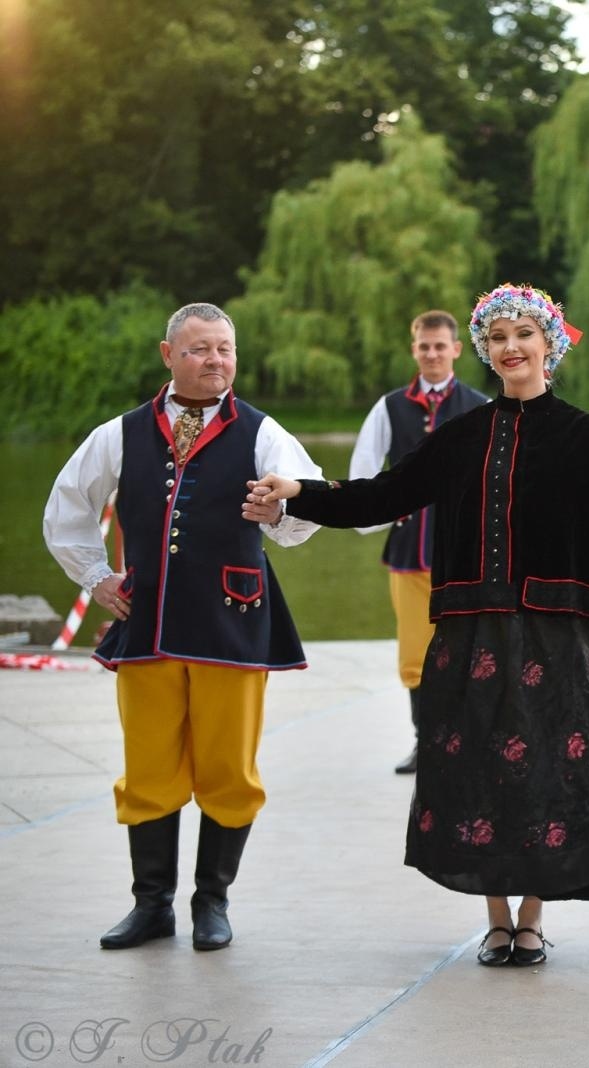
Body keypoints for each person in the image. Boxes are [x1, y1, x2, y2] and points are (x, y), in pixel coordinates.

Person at [243, 284, 589, 968]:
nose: (510, 348)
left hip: (555, 634)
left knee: (547, 778)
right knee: (478, 774)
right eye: (498, 338)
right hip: (471, 632)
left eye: (524, 335)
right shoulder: (459, 438)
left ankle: (531, 919)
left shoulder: (585, 435)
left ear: (549, 346)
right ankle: (496, 918)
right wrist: (299, 492)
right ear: (486, 350)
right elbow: (382, 494)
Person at [43, 302, 323, 952]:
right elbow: (68, 509)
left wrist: (276, 511)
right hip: (147, 628)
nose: (215, 360)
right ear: (169, 355)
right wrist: (97, 579)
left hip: (235, 623)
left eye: (224, 348)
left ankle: (212, 904)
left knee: (230, 769)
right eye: (199, 349)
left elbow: (309, 508)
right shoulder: (120, 433)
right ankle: (151, 906)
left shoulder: (262, 431)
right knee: (147, 769)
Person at [349, 310, 489, 773]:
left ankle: (467, 742)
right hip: (412, 549)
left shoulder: (481, 406)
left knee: (470, 648)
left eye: (439, 346)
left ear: (456, 350)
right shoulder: (389, 407)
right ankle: (427, 741)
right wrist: (368, 515)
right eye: (423, 346)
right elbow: (366, 471)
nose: (431, 354)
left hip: (467, 551)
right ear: (414, 350)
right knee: (416, 653)